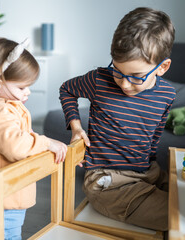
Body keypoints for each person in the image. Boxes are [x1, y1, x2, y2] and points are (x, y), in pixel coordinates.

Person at [59, 7, 175, 231]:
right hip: (107, 183)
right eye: (118, 71)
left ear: (162, 68)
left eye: (136, 76)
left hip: (148, 172)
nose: (124, 84)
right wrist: (76, 128)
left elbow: (154, 138)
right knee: (181, 216)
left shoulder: (167, 95)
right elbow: (67, 90)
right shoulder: (99, 80)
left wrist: (153, 170)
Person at [0, 37, 67, 240]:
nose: (27, 92)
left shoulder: (0, 103)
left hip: (6, 198)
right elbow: (17, 146)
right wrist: (47, 142)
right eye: (21, 87)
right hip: (1, 202)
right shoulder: (0, 111)